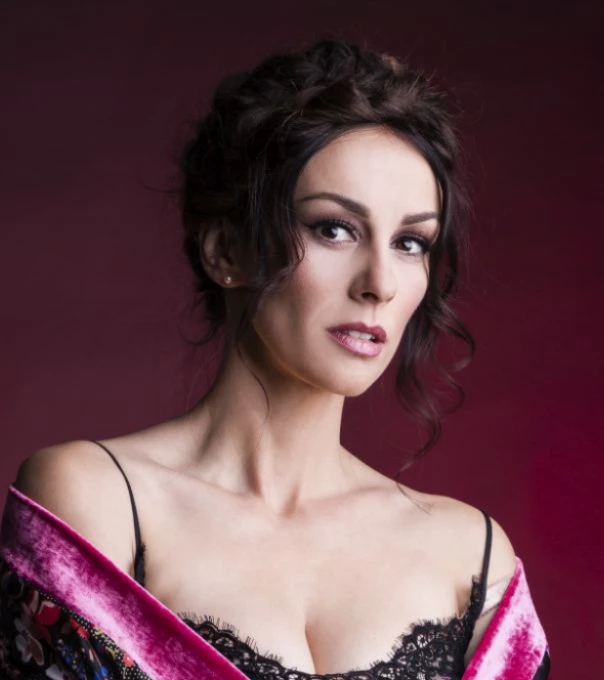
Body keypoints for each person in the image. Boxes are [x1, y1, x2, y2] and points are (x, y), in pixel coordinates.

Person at [0, 39, 550, 679]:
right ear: (226, 251)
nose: (380, 283)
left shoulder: (472, 558)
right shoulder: (97, 499)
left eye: (410, 242)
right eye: (333, 228)